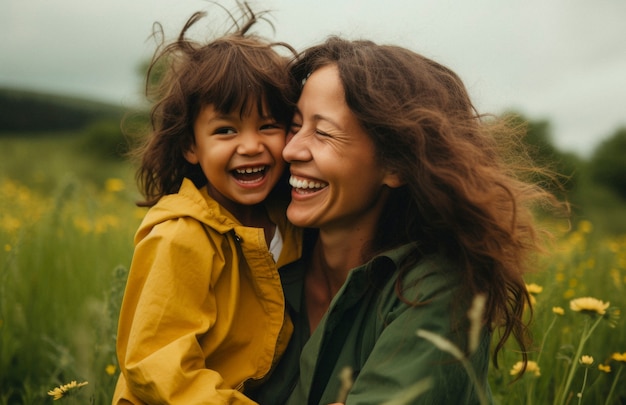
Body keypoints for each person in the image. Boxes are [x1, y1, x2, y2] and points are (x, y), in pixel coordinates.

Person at [247, 37, 564, 404]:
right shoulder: (263, 254)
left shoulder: (439, 290)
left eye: (323, 132)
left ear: (395, 164)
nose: (291, 149)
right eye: (296, 125)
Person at [112, 5, 301, 404]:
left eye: (269, 125)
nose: (250, 146)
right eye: (226, 130)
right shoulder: (181, 237)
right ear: (190, 147)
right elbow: (158, 366)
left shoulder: (290, 221)